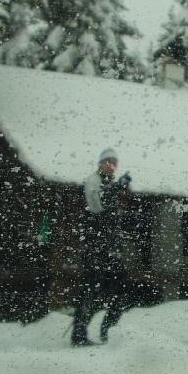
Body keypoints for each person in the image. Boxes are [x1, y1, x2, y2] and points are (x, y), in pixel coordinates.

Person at [71, 147, 132, 346]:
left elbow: (114, 217)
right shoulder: (92, 181)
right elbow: (96, 207)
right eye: (108, 161)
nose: (111, 165)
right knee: (91, 289)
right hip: (95, 247)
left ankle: (108, 333)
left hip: (110, 247)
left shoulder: (110, 184)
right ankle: (79, 335)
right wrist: (116, 189)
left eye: (114, 162)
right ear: (100, 163)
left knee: (120, 290)